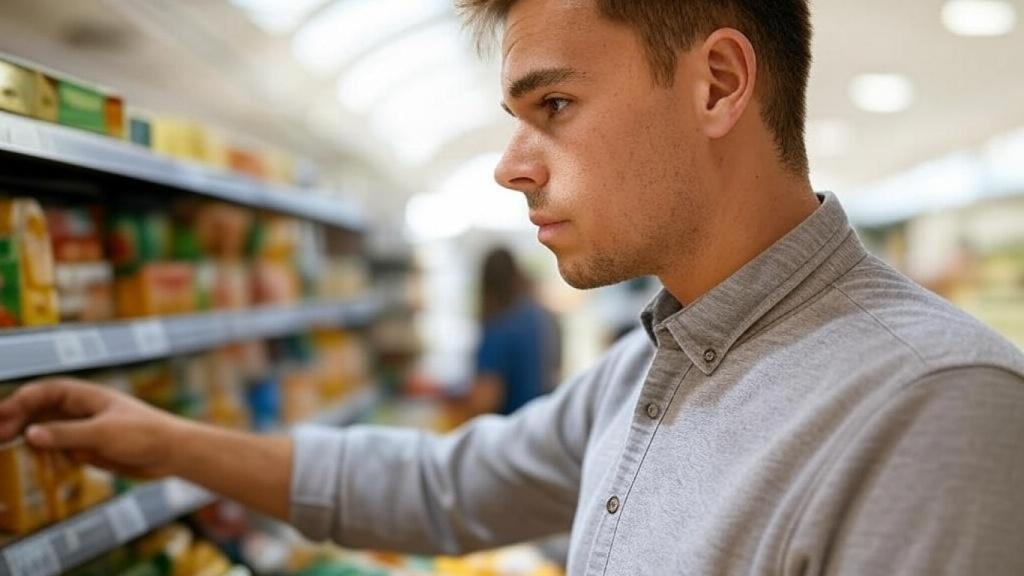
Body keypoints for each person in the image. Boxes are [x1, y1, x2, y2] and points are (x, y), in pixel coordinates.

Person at [2, 0, 1024, 573]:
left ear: (716, 84)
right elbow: (442, 492)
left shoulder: (936, 406)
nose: (510, 165)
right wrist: (156, 439)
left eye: (557, 104)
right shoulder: (649, 367)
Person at [467, 247, 561, 416]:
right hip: (542, 421)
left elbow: (486, 398)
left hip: (510, 427)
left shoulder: (500, 325)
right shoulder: (541, 317)